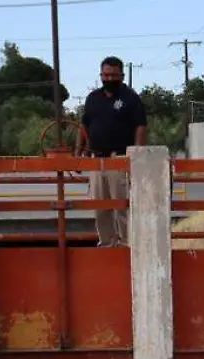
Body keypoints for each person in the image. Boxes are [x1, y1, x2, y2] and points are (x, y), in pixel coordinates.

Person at [75, 56, 148, 247]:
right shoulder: (93, 98)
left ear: (122, 75)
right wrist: (78, 154)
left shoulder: (131, 98)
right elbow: (84, 126)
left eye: (114, 75)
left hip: (120, 159)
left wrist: (136, 156)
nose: (109, 79)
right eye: (106, 75)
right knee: (100, 207)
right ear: (101, 75)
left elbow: (140, 126)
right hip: (96, 159)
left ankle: (127, 244)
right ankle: (106, 243)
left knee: (122, 205)